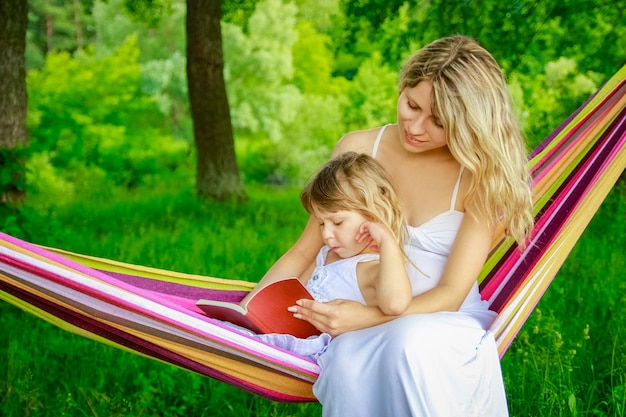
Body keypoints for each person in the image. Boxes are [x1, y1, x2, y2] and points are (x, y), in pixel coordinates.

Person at [258, 34, 534, 416]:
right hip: (352, 324)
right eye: (411, 104)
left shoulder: (481, 178)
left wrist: (365, 317)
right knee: (352, 358)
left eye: (438, 121)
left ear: (468, 122)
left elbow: (452, 292)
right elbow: (309, 249)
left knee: (407, 341)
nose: (417, 127)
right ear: (403, 85)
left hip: (441, 324)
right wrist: (254, 309)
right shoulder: (357, 150)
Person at [238, 151, 414, 359]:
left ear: (372, 215)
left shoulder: (371, 268)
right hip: (291, 335)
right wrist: (249, 310)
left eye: (337, 222)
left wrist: (387, 242)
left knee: (242, 340)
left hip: (317, 352)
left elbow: (395, 304)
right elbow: (291, 294)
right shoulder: (325, 255)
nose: (326, 234)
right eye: (321, 223)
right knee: (231, 331)